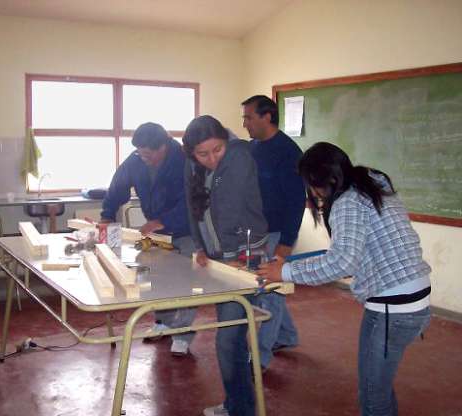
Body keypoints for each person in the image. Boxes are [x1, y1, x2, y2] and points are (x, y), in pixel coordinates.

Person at [257, 142, 432, 416]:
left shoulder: (347, 201)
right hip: (416, 297)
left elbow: (341, 262)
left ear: (321, 181)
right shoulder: (373, 182)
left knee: (373, 396)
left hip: (391, 307)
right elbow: (363, 248)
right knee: (380, 387)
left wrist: (284, 272)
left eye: (310, 184)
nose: (312, 193)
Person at [182, 115, 268, 416]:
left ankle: (241, 409)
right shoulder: (192, 164)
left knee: (229, 339)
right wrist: (199, 247)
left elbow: (230, 210)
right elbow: (194, 208)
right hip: (220, 256)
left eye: (216, 149)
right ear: (191, 152)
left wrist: (232, 256)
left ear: (225, 141)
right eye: (202, 154)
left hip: (244, 256)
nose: (211, 159)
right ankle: (240, 404)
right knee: (233, 336)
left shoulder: (238, 157)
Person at [101, 122, 196, 355]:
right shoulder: (136, 159)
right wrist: (106, 216)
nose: (144, 159)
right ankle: (162, 322)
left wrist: (164, 220)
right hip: (158, 231)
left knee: (185, 283)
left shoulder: (184, 160)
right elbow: (117, 187)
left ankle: (182, 334)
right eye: (140, 154)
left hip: (187, 230)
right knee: (154, 278)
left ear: (163, 146)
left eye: (148, 155)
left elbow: (194, 201)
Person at [241, 95, 305, 370]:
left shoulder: (288, 152)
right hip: (253, 233)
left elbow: (296, 202)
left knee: (266, 292)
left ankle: (260, 357)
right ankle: (287, 335)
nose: (244, 123)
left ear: (267, 117)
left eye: (248, 117)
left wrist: (286, 245)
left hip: (275, 235)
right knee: (268, 289)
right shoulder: (253, 147)